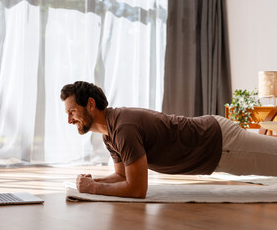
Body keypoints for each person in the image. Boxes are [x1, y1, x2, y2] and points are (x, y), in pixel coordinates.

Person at [60, 81, 277, 198]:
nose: (69, 120)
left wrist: (94, 189)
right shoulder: (110, 134)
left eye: (72, 112)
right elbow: (121, 175)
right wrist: (93, 181)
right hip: (213, 146)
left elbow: (136, 189)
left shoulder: (123, 128)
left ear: (90, 104)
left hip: (220, 143)